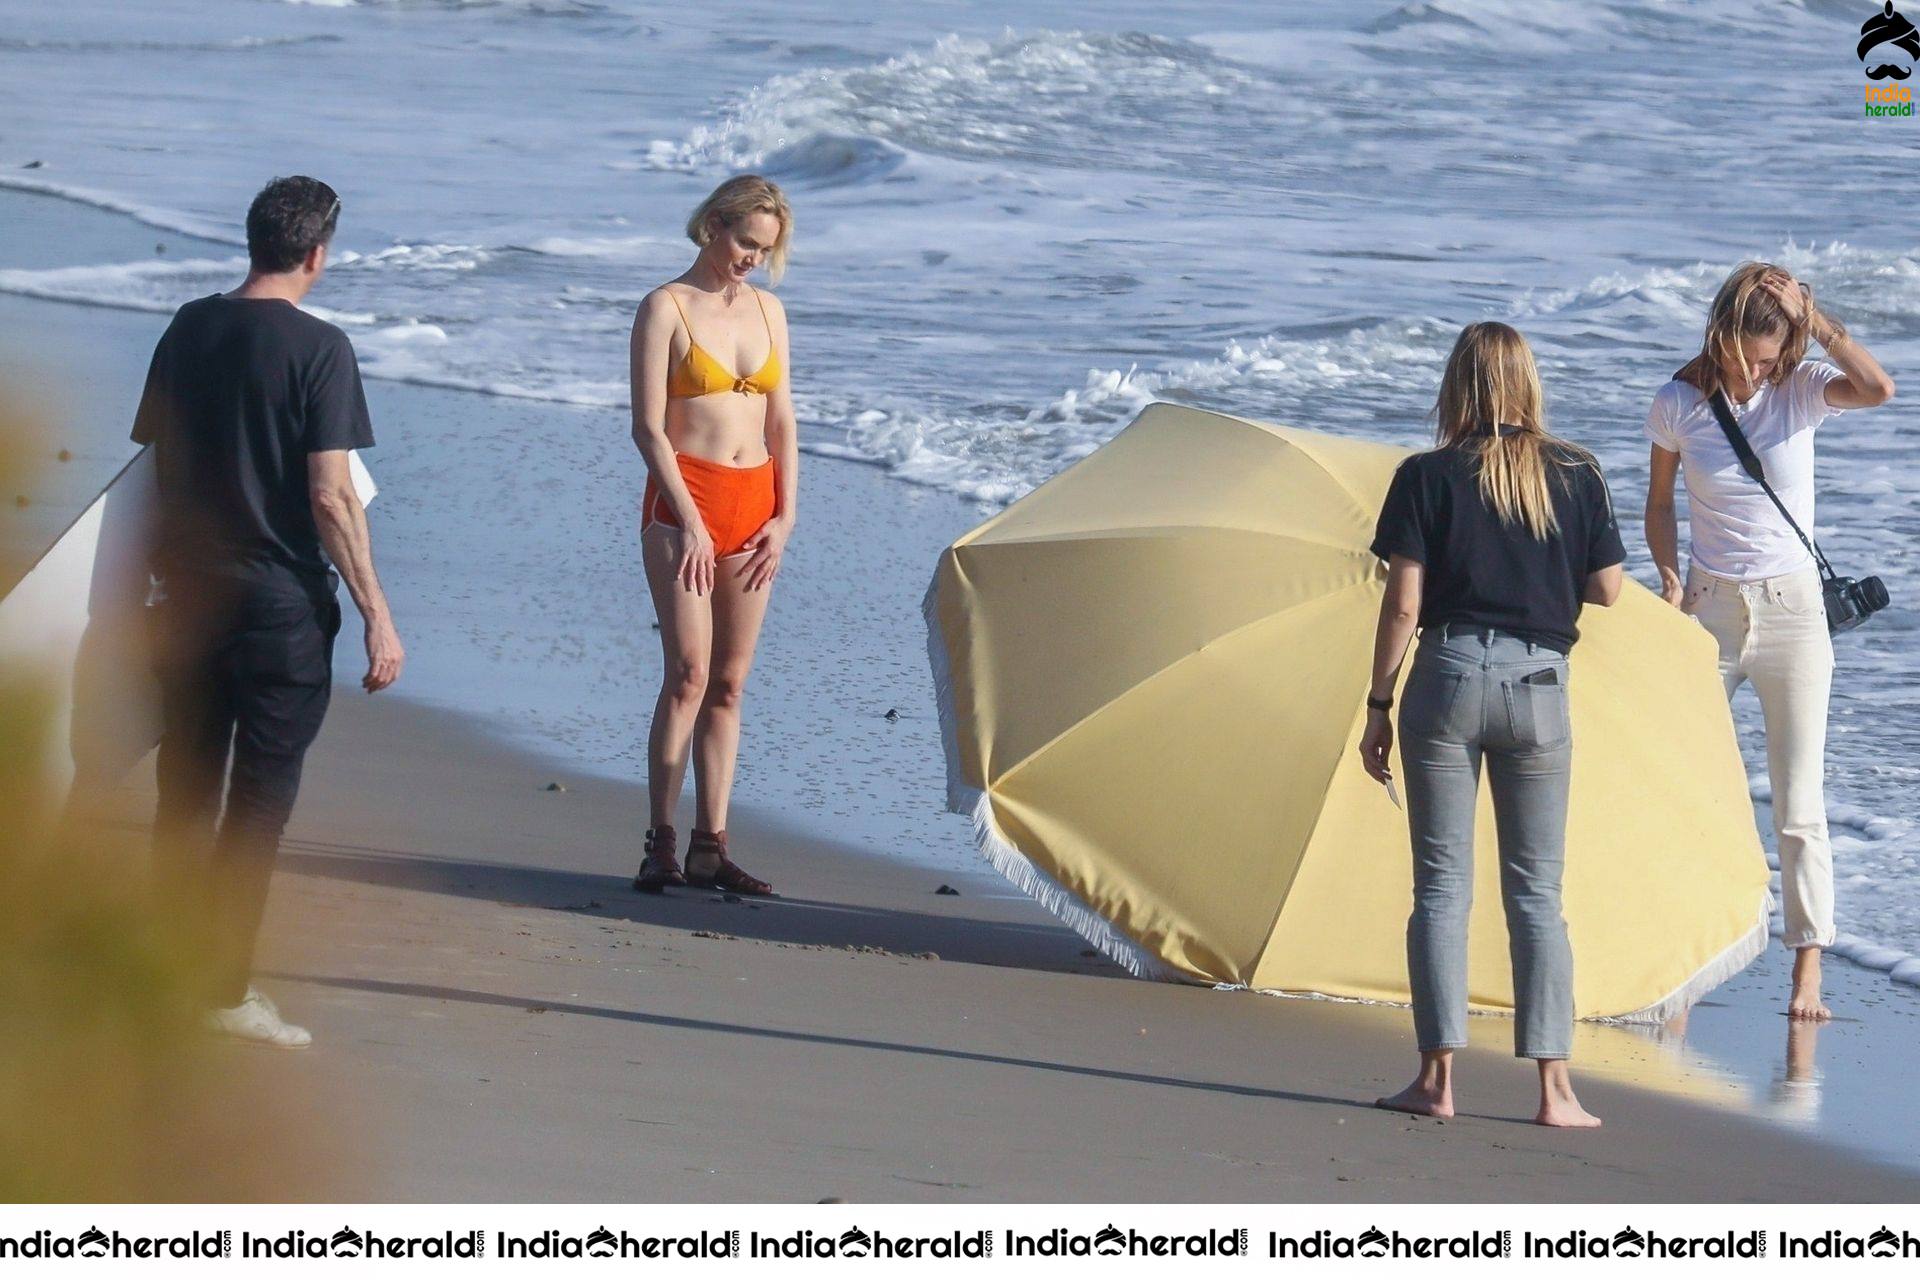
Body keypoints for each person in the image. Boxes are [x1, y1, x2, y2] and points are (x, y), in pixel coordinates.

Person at [135, 175, 404, 1048]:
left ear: (254, 240)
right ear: (318, 254)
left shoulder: (188, 327)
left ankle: (160, 978)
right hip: (277, 607)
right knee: (255, 808)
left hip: (187, 597)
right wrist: (376, 611)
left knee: (183, 795)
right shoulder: (320, 348)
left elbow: (152, 463)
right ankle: (219, 994)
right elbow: (332, 496)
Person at [1360, 322, 1625, 1127]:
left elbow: (1404, 602)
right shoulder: (1576, 473)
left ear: (1457, 386)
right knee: (1537, 893)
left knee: (1441, 887)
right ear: (1528, 383)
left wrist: (1377, 704)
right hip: (1540, 683)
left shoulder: (1426, 475)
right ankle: (1556, 1092)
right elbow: (1609, 589)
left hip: (1446, 677)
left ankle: (1437, 1083)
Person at [1643, 262, 1895, 1021]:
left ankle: (1806, 975)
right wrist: (1665, 575)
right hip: (1712, 609)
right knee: (1685, 788)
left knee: (1798, 804)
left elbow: (1880, 390)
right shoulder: (1679, 402)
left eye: (1771, 353)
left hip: (1792, 615)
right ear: (1721, 334)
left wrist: (1818, 324)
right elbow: (1659, 503)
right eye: (1749, 353)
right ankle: (1680, 960)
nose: (1759, 367)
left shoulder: (1802, 387)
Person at [627, 175, 797, 896]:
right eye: (743, 242)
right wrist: (691, 521)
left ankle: (711, 845)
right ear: (712, 227)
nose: (750, 259)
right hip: (683, 504)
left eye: (764, 249)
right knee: (689, 675)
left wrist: (786, 518)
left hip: (754, 504)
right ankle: (660, 842)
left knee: (729, 684)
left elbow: (783, 421)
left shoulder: (769, 310)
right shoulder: (665, 307)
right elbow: (647, 427)